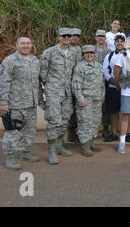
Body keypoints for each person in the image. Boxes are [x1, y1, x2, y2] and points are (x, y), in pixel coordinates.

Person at [0, 36, 41, 170]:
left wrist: (39, 99)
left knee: (29, 131)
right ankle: (10, 158)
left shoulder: (35, 60)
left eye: (28, 43)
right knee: (13, 132)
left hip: (31, 103)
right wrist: (3, 102)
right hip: (15, 104)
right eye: (23, 43)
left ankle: (26, 152)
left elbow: (37, 82)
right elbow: (3, 82)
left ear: (31, 45)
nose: (26, 46)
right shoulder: (10, 61)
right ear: (17, 45)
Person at [40, 28, 78, 165]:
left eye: (69, 36)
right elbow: (42, 74)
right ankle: (51, 150)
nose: (67, 38)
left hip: (68, 92)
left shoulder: (74, 53)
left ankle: (60, 145)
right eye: (64, 36)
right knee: (53, 121)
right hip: (54, 92)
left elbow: (75, 72)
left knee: (65, 120)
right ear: (59, 38)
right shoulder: (49, 52)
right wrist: (51, 88)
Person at [72, 45, 106, 157]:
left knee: (95, 122)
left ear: (94, 54)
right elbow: (76, 84)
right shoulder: (80, 67)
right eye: (87, 53)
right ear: (83, 55)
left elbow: (102, 83)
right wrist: (80, 98)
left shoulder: (99, 66)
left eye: (91, 53)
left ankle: (91, 142)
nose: (89, 55)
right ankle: (85, 146)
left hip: (97, 100)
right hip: (85, 100)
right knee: (85, 123)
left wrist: (102, 94)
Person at [102, 35, 130, 143]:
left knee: (127, 111)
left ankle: (128, 134)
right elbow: (106, 72)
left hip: (127, 89)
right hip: (113, 87)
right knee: (113, 111)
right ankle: (114, 133)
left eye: (122, 41)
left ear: (125, 43)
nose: (119, 43)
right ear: (114, 43)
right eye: (117, 41)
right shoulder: (109, 56)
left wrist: (125, 85)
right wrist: (116, 84)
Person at [95, 29, 112, 138]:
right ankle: (93, 129)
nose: (100, 38)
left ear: (105, 38)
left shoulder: (109, 52)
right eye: (98, 36)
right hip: (93, 82)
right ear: (95, 38)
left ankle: (105, 127)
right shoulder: (90, 50)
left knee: (106, 106)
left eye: (102, 36)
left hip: (105, 82)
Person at [67, 27, 82, 142]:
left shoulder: (80, 49)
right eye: (73, 35)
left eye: (78, 36)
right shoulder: (65, 49)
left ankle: (75, 131)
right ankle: (69, 132)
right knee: (67, 109)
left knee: (77, 108)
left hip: (77, 84)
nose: (76, 37)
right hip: (66, 85)